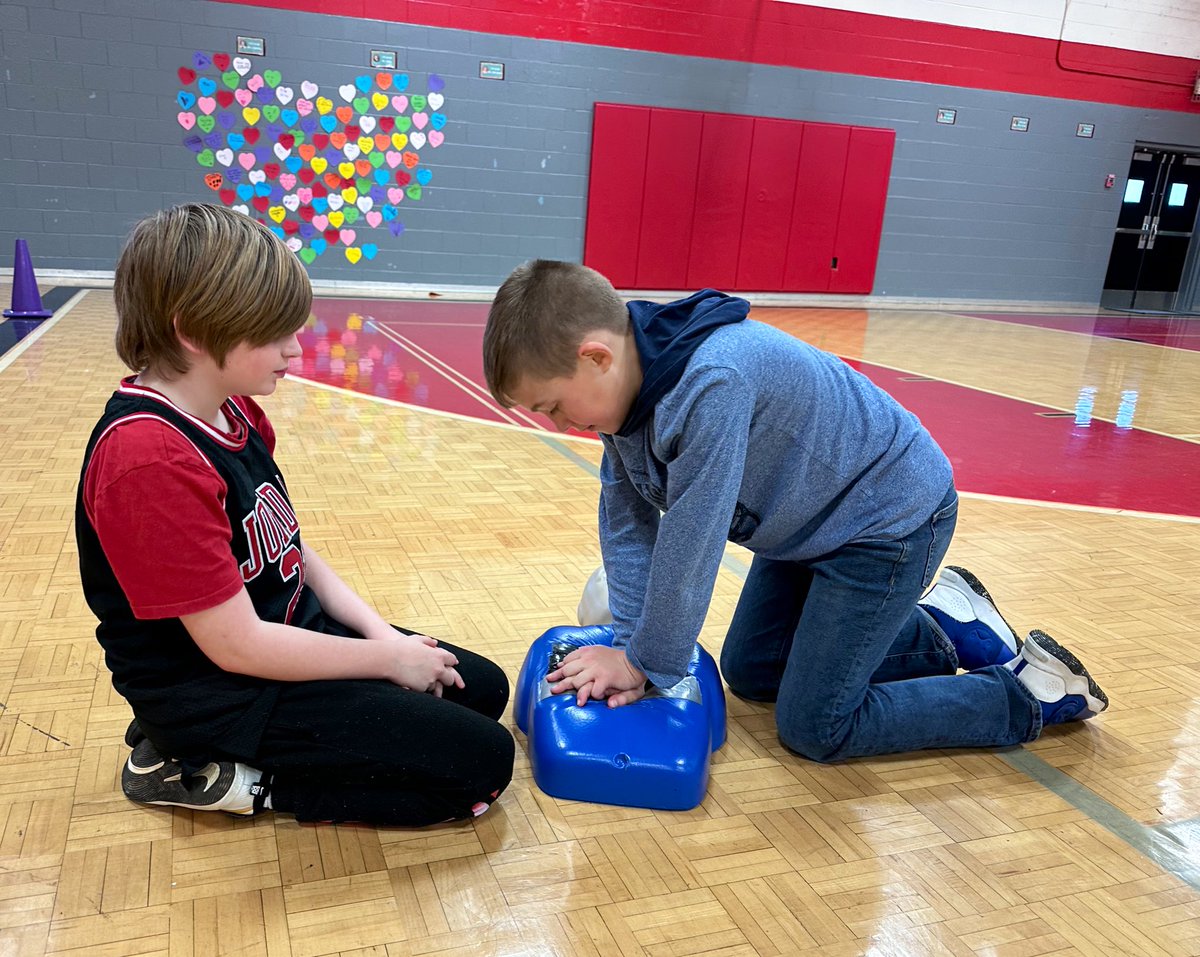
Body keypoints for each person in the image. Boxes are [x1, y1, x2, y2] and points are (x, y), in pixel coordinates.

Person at [481, 259, 1108, 762]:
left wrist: (645, 662)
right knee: (751, 671)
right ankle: (941, 622)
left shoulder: (710, 384)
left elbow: (692, 545)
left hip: (886, 525)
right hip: (808, 527)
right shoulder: (622, 393)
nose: (561, 424)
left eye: (553, 406)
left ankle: (1027, 692)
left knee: (817, 725)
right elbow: (626, 522)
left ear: (596, 356)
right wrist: (630, 645)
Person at [77, 204, 514, 824]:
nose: (295, 348)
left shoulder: (236, 411)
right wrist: (387, 662)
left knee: (482, 689)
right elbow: (236, 646)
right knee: (480, 766)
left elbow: (292, 552)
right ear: (195, 333)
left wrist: (385, 638)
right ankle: (217, 774)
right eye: (276, 333)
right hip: (221, 691)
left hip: (281, 638)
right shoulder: (149, 457)